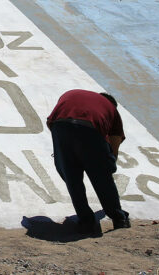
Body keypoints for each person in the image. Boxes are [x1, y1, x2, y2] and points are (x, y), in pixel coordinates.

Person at [47, 89, 131, 233]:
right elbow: (114, 143)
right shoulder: (112, 109)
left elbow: (51, 123)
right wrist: (109, 164)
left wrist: (63, 150)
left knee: (72, 179)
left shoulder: (74, 94)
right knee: (102, 179)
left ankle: (86, 220)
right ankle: (119, 218)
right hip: (90, 129)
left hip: (60, 127)